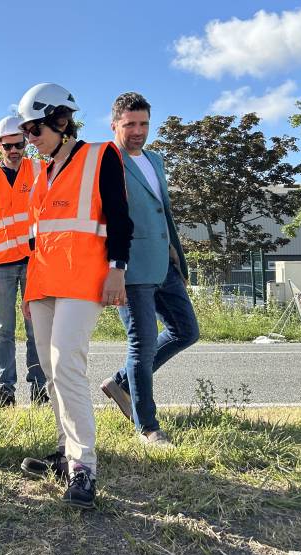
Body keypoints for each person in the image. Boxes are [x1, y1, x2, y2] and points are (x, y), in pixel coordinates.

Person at [15, 83, 132, 508]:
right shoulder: (42, 173)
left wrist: (117, 269)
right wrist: (28, 291)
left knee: (67, 364)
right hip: (43, 283)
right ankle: (65, 451)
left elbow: (120, 219)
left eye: (34, 129)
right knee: (50, 370)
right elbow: (37, 239)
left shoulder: (100, 156)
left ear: (61, 121)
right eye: (26, 132)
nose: (30, 139)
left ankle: (84, 467)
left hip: (83, 280)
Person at [100, 92, 199, 448]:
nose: (138, 131)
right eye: (130, 124)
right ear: (114, 124)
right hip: (129, 266)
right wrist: (113, 268)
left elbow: (162, 211)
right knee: (141, 345)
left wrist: (175, 253)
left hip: (163, 261)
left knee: (186, 331)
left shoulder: (155, 159)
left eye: (143, 123)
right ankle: (148, 427)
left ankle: (120, 383)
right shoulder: (106, 160)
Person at [0, 116, 47, 407]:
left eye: (19, 144)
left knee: (35, 329)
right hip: (0, 263)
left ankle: (40, 390)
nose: (14, 150)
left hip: (34, 262)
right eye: (8, 146)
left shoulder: (40, 170)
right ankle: (5, 391)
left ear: (25, 142)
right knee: (3, 330)